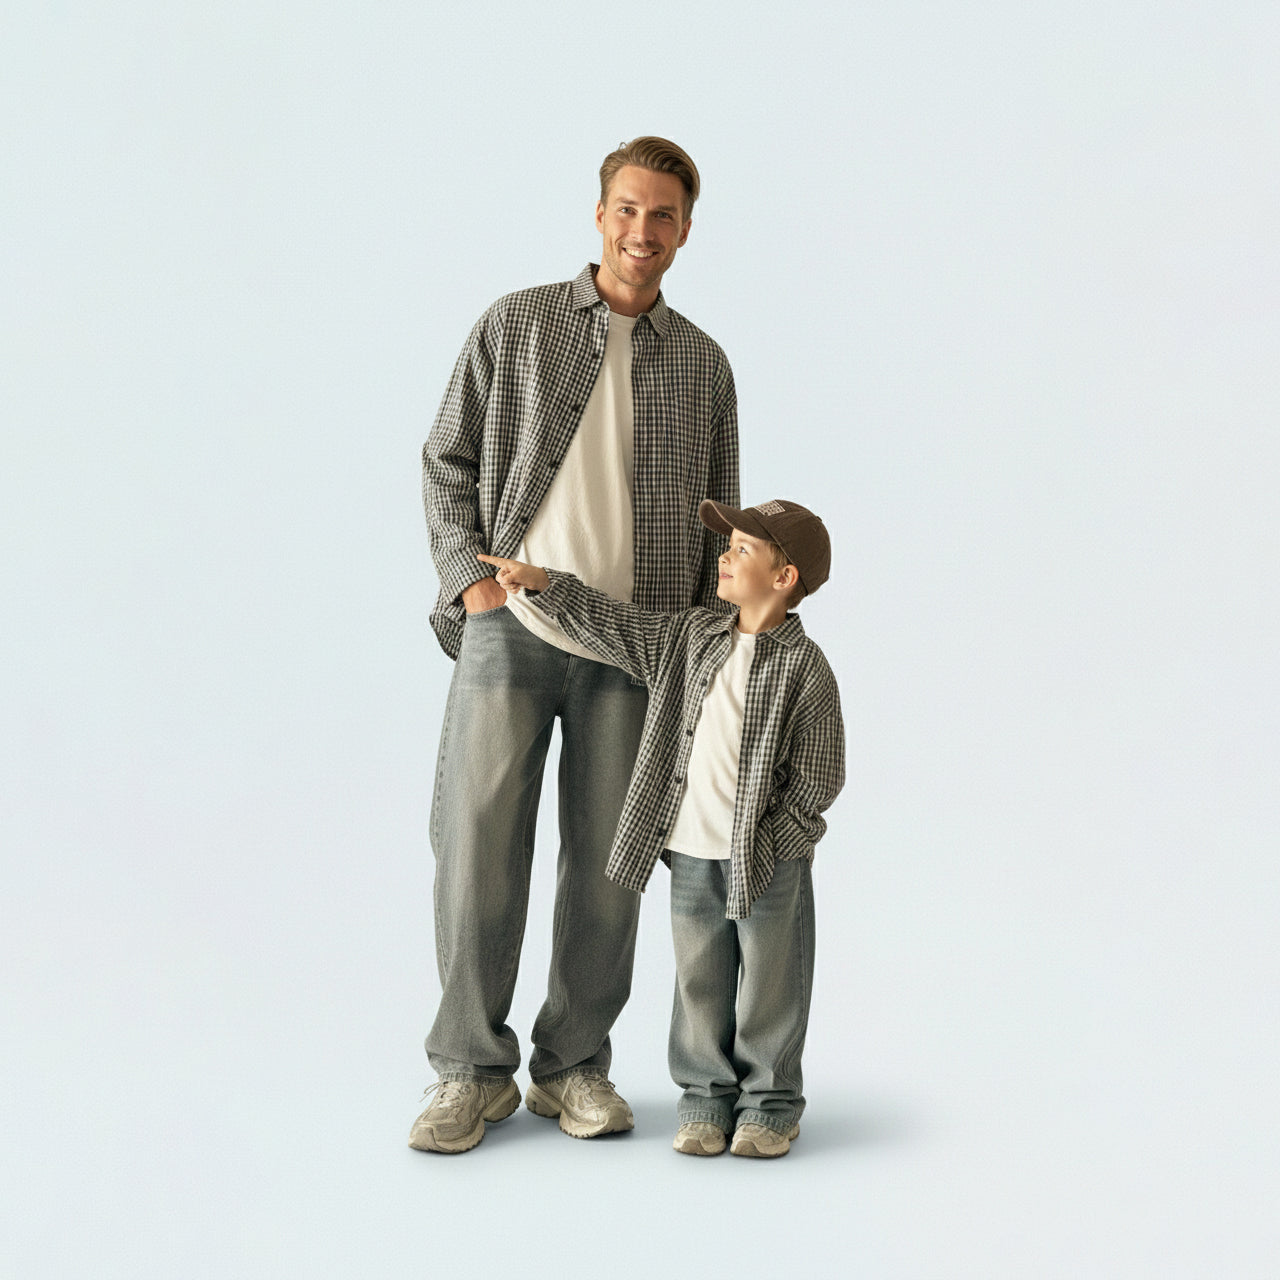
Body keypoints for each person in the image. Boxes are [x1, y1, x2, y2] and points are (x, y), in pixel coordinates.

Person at [410, 137, 739, 1154]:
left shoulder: (703, 364)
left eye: (664, 217)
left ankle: (572, 1066)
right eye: (627, 211)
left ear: (685, 230)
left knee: (608, 861)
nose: (643, 233)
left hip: (632, 646)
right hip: (508, 623)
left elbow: (720, 526)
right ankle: (468, 1071)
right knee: (475, 849)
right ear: (598, 214)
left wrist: (701, 655)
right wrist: (469, 577)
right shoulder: (516, 325)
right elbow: (445, 456)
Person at [479, 497, 844, 1158]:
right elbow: (617, 626)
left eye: (741, 551)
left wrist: (782, 842)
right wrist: (547, 586)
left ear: (784, 578)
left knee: (769, 986)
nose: (724, 559)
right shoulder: (691, 637)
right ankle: (705, 1098)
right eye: (726, 547)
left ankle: (769, 1105)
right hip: (691, 854)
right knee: (699, 981)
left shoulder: (804, 669)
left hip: (765, 860)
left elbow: (820, 773)